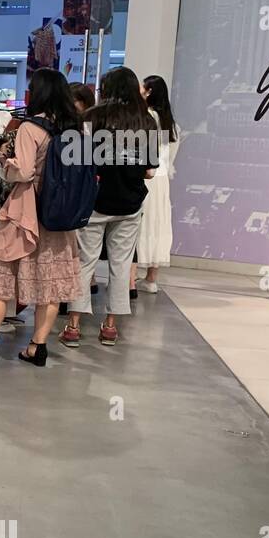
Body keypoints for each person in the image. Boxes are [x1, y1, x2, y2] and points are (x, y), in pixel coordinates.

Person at [0, 69, 80, 368]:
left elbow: (25, 171)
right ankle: (37, 347)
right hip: (60, 219)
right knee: (50, 285)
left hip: (26, 215)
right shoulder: (75, 130)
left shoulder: (31, 128)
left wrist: (6, 162)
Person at [60, 67, 158, 348]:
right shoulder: (147, 122)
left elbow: (75, 159)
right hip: (130, 203)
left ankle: (74, 325)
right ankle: (110, 327)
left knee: (84, 262)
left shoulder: (91, 118)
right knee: (120, 264)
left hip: (94, 201)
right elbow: (150, 171)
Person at [131, 74, 179, 294]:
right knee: (158, 225)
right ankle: (151, 278)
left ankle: (132, 276)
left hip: (146, 177)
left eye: (142, 88)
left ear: (149, 92)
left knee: (139, 225)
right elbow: (171, 159)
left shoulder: (146, 117)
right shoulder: (172, 123)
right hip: (162, 181)